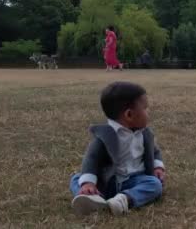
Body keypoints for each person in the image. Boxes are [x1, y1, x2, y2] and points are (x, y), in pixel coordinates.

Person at [69, 82, 166, 216]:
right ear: (129, 115)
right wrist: (88, 183)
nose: (148, 112)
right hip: (108, 181)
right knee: (77, 178)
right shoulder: (104, 137)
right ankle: (90, 197)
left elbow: (155, 152)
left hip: (135, 180)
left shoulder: (145, 134)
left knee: (155, 184)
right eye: (145, 108)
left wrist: (158, 167)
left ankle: (124, 199)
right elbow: (91, 159)